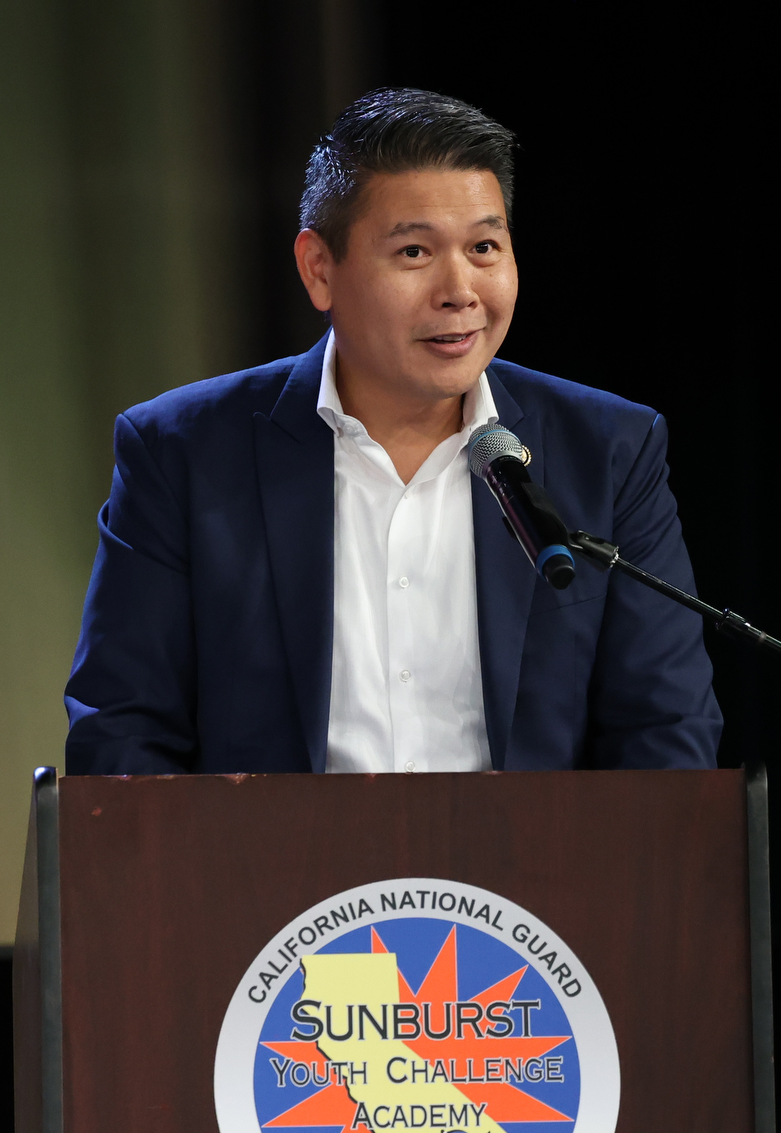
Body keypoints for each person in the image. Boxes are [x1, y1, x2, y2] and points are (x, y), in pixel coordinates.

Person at [63, 88, 720, 776]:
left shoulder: (611, 451)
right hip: (277, 880)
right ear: (320, 269)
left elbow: (666, 730)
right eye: (414, 252)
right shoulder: (184, 453)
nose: (460, 289)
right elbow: (123, 738)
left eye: (485, 247)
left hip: (529, 881)